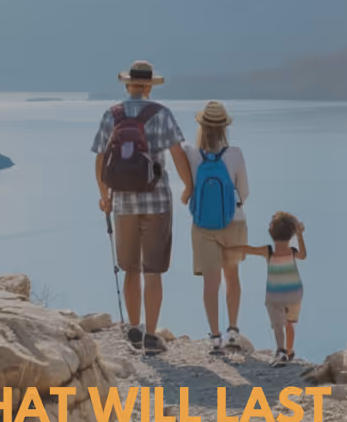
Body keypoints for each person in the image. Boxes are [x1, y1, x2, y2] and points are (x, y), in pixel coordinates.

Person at [93, 60, 193, 355]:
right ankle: (151, 335)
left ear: (127, 85)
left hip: (122, 203)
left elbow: (100, 159)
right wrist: (188, 186)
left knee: (130, 269)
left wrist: (105, 196)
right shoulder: (162, 114)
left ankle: (134, 329)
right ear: (149, 86)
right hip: (157, 201)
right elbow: (177, 154)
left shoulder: (111, 115)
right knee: (153, 270)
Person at [180, 101, 251, 354]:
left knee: (211, 282)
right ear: (224, 127)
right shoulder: (236, 154)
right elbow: (244, 192)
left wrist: (188, 191)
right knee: (232, 276)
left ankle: (215, 337)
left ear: (201, 124)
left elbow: (173, 153)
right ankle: (233, 330)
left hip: (202, 225)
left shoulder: (190, 151)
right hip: (235, 221)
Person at [227, 211, 307, 367]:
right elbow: (303, 255)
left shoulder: (268, 251)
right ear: (291, 233)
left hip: (275, 294)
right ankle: (289, 351)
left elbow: (247, 249)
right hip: (294, 293)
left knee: (278, 324)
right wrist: (300, 234)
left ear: (271, 231)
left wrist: (228, 247)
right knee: (290, 323)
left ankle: (281, 351)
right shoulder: (292, 252)